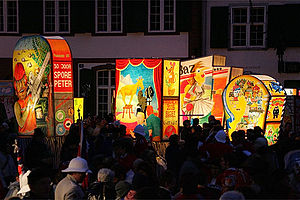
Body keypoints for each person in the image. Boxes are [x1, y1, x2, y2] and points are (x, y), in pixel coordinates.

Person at [13, 63, 37, 135]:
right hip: (23, 135)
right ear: (16, 93)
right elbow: (21, 123)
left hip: (33, 133)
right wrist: (27, 108)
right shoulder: (17, 104)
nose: (23, 93)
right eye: (21, 91)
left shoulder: (29, 97)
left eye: (24, 90)